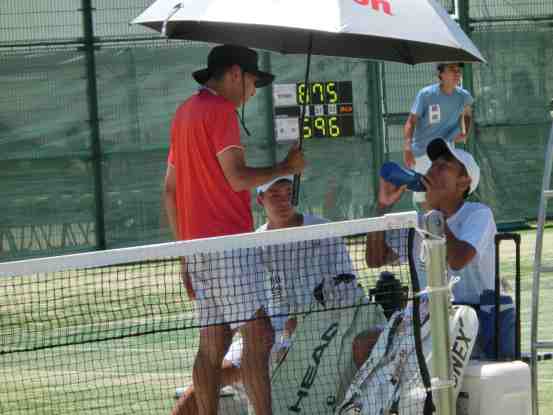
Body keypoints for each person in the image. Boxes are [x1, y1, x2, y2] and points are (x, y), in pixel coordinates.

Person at [163, 44, 305, 415]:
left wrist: (184, 255)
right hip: (228, 245)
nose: (253, 92)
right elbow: (238, 178)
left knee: (212, 347)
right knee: (260, 336)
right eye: (254, 82)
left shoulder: (183, 113)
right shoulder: (221, 110)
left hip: (197, 249)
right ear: (236, 74)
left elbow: (169, 190)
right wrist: (285, 166)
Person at [172, 176, 383, 415]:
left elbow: (347, 289)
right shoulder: (250, 245)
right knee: (205, 383)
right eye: (275, 195)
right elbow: (244, 307)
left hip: (322, 332)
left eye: (288, 193)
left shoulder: (324, 232)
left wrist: (306, 322)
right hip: (267, 338)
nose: (283, 200)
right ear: (260, 199)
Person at [367, 138, 514, 358]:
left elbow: (457, 259)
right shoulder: (418, 221)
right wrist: (381, 208)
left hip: (473, 322)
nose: (433, 170)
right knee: (364, 344)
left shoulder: (478, 214)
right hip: (429, 320)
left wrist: (433, 212)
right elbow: (375, 259)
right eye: (433, 165)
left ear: (464, 182)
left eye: (443, 166)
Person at [403, 63, 474, 204]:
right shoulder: (425, 94)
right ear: (441, 74)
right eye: (452, 69)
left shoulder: (463, 96)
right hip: (423, 153)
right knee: (423, 197)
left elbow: (467, 113)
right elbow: (411, 121)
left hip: (446, 153)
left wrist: (465, 132)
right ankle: (423, 217)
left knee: (446, 194)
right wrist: (407, 147)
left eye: (458, 70)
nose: (457, 73)